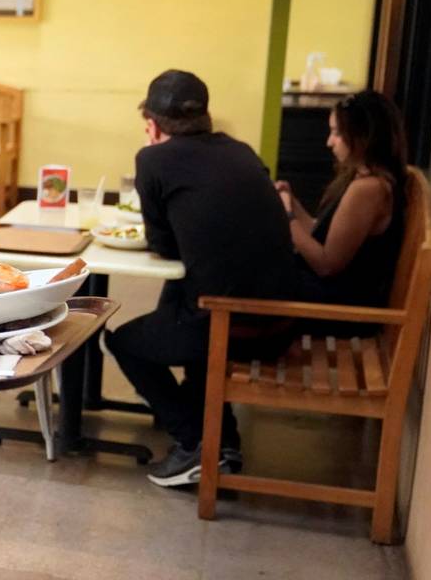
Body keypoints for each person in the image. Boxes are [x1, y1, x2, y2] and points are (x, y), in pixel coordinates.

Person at [104, 70, 298, 488]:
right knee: (182, 297)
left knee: (123, 342)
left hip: (235, 323)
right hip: (281, 318)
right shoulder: (241, 151)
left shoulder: (153, 159)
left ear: (152, 125)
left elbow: (164, 246)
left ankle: (194, 442)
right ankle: (221, 441)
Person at [277, 91, 407, 315]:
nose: (329, 142)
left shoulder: (369, 189)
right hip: (333, 295)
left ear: (362, 136)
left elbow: (326, 265)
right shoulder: (365, 179)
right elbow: (322, 235)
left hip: (343, 307)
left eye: (337, 133)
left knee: (244, 279)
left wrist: (287, 218)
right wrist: (294, 205)